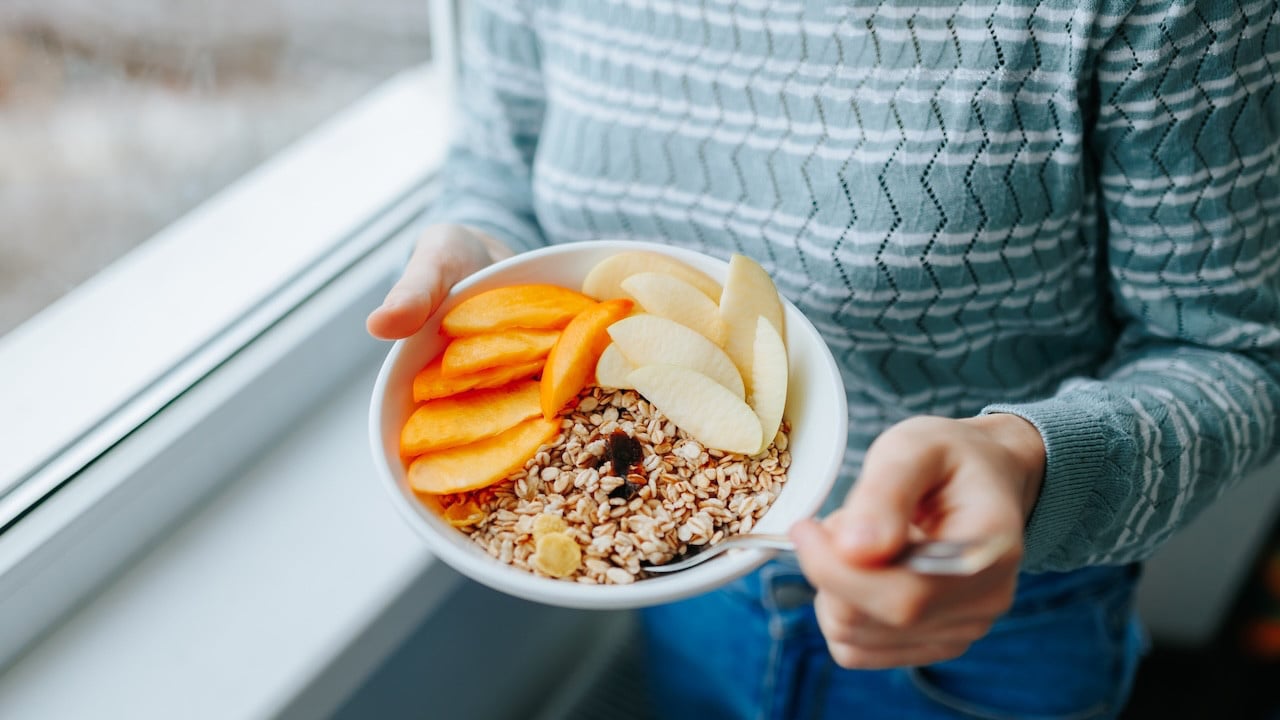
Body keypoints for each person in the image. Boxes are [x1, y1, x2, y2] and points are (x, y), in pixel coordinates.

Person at [368, 1, 1280, 717]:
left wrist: (1024, 464)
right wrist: (487, 265)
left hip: (988, 609)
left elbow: (1238, 351)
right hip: (674, 576)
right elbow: (497, 160)